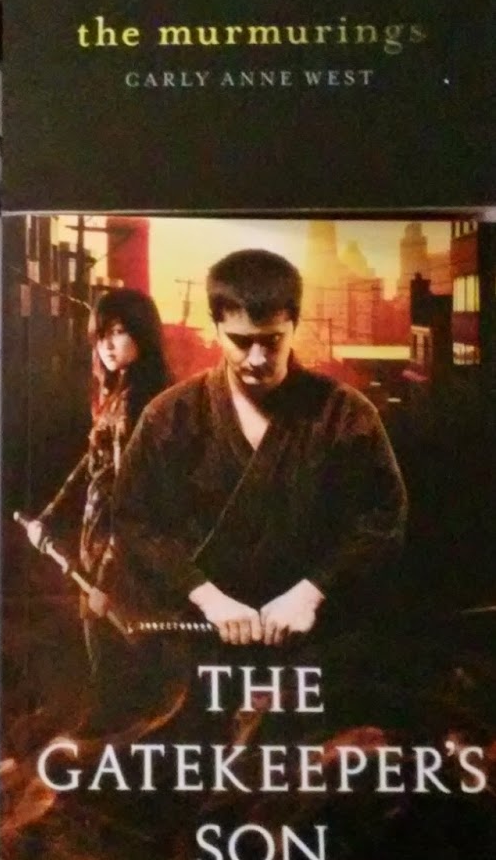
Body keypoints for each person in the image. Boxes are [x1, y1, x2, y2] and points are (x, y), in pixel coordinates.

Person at [106, 249, 407, 646]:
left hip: (318, 641)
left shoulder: (346, 414)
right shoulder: (168, 417)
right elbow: (132, 520)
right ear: (216, 327)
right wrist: (206, 596)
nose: (257, 358)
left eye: (272, 340)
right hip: (198, 637)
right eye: (241, 341)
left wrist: (312, 591)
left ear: (294, 324)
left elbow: (383, 517)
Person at [23, 287, 170, 675]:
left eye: (118, 331)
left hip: (122, 566)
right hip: (102, 556)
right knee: (112, 674)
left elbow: (132, 497)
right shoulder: (119, 395)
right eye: (101, 333)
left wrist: (108, 580)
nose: (106, 344)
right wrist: (49, 517)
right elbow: (93, 465)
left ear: (142, 333)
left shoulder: (138, 403)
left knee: (118, 678)